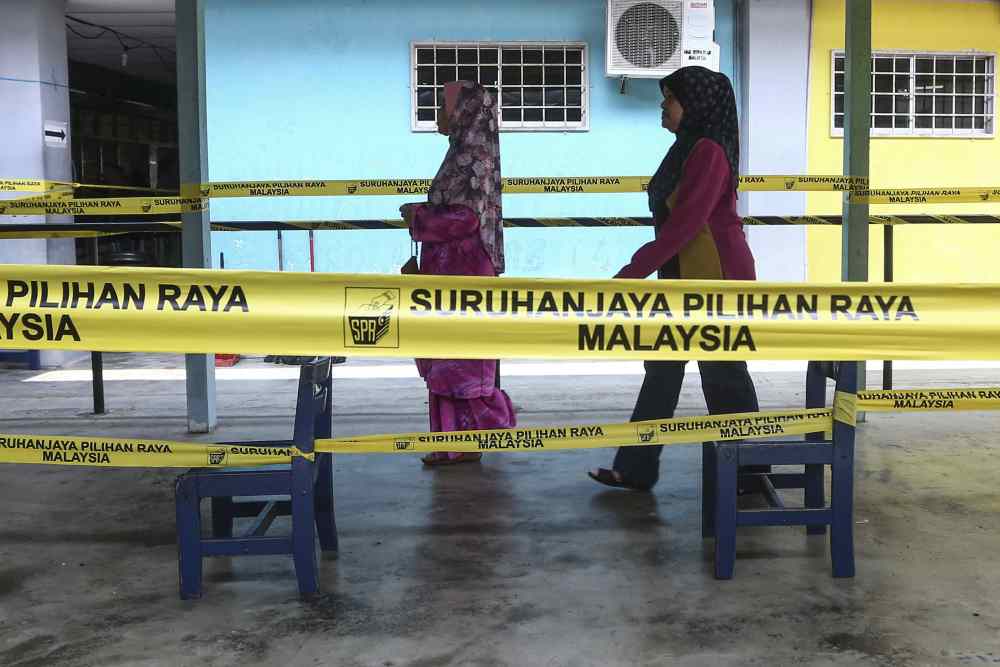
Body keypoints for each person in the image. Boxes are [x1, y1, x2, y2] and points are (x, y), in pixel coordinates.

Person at [589, 66, 760, 491]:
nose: (663, 106)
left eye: (671, 98)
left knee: (723, 374)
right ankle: (636, 467)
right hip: (685, 273)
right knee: (663, 368)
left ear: (695, 104)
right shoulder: (687, 149)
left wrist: (630, 274)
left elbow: (685, 225)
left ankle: (751, 471)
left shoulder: (708, 152)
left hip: (713, 276)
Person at [401, 80, 516, 466]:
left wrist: (418, 215)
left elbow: (465, 218)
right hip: (449, 272)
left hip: (462, 275)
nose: (439, 114)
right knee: (447, 360)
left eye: (444, 106)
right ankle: (454, 444)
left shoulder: (471, 157)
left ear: (465, 112)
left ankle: (480, 432)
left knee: (460, 364)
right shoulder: (461, 154)